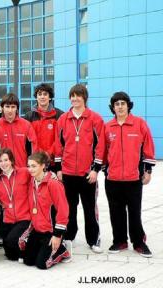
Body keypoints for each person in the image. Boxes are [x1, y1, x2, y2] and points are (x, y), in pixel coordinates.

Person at [54, 84, 105, 255]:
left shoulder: (95, 119)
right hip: (67, 173)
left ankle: (93, 239)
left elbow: (100, 146)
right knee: (70, 207)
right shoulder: (63, 119)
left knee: (90, 208)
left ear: (85, 98)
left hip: (87, 173)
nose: (75, 99)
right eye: (72, 96)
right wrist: (59, 168)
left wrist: (95, 169)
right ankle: (69, 235)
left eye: (78, 96)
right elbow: (58, 145)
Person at [104, 92, 156, 257]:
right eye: (116, 104)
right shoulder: (108, 127)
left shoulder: (139, 123)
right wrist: (105, 169)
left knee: (134, 212)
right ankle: (119, 241)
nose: (119, 106)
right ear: (113, 107)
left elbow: (148, 147)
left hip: (134, 178)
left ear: (128, 106)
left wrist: (147, 171)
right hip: (112, 179)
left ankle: (139, 242)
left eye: (122, 103)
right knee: (115, 211)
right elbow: (102, 151)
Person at [21, 151, 70, 269]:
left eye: (34, 166)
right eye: (29, 166)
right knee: (27, 261)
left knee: (42, 264)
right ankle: (44, 248)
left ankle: (63, 250)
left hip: (51, 231)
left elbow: (63, 210)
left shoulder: (53, 184)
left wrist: (57, 235)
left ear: (43, 166)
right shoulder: (32, 181)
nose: (30, 169)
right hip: (38, 229)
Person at [0, 148, 31, 261]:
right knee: (10, 254)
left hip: (25, 217)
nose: (3, 163)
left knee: (12, 241)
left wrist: (52, 175)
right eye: (0, 161)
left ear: (11, 160)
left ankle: (34, 247)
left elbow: (38, 175)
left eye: (6, 160)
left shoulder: (24, 172)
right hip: (9, 219)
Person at [24, 83, 64, 172]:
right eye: (40, 94)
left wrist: (49, 154)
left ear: (50, 97)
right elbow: (29, 140)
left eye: (45, 94)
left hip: (54, 162)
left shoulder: (60, 115)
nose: (42, 97)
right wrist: (39, 155)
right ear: (36, 97)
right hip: (35, 162)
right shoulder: (29, 116)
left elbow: (60, 138)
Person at [0, 93, 38, 168]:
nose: (10, 110)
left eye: (13, 107)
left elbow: (33, 147)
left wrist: (31, 167)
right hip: (3, 171)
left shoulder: (26, 125)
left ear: (17, 108)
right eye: (7, 107)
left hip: (22, 169)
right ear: (2, 108)